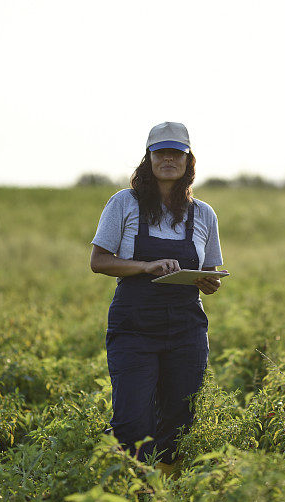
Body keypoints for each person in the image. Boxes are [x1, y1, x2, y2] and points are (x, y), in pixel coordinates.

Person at [89, 122, 225, 475]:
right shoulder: (124, 203)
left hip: (186, 328)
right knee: (133, 421)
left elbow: (210, 269)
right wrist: (146, 266)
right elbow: (99, 261)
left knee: (179, 420)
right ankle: (124, 483)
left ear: (188, 161)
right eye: (160, 152)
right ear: (148, 158)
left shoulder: (205, 214)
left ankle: (163, 495)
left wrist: (209, 282)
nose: (168, 159)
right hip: (135, 325)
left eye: (176, 153)